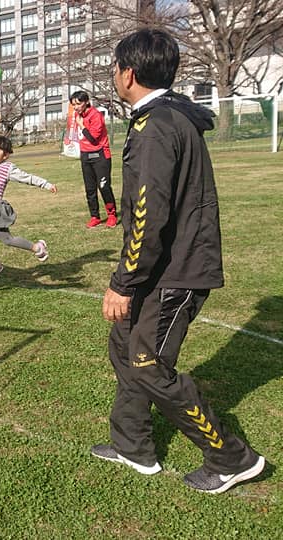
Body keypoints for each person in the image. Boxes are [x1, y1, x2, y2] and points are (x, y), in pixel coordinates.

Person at [93, 28, 264, 494]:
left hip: (175, 271)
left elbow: (149, 218)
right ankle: (132, 444)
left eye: (114, 67)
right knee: (124, 346)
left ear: (128, 73)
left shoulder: (157, 127)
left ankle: (232, 458)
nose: (113, 74)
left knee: (148, 365)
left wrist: (123, 283)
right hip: (162, 267)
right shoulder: (166, 117)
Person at [0, 116, 57, 283]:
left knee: (7, 240)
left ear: (6, 155)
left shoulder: (8, 169)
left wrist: (46, 184)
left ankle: (37, 247)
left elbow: (27, 177)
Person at [70, 91, 116, 229]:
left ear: (86, 102)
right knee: (90, 189)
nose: (76, 107)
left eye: (78, 103)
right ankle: (95, 216)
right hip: (85, 155)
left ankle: (112, 215)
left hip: (100, 155)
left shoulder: (96, 115)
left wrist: (82, 125)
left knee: (104, 187)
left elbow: (93, 138)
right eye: (73, 105)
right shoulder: (78, 115)